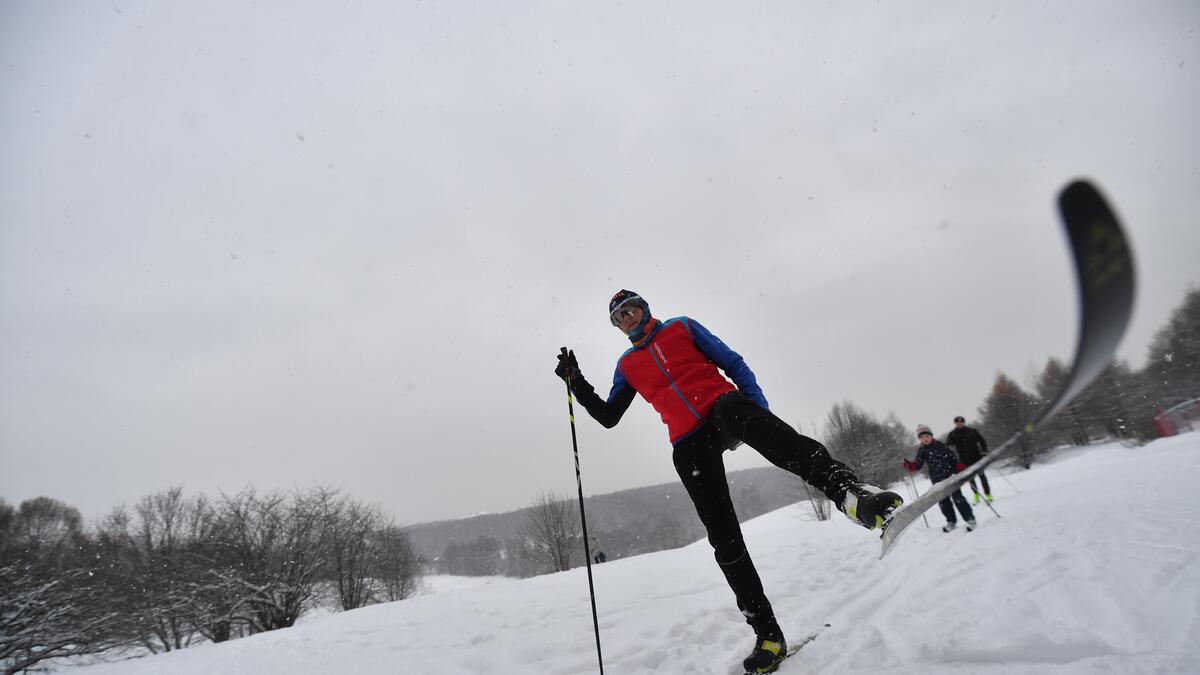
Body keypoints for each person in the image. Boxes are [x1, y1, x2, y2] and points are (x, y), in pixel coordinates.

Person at [555, 290, 902, 674]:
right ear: (616, 326)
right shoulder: (627, 365)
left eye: (630, 309)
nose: (627, 318)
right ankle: (768, 634)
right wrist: (577, 382)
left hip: (723, 409)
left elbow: (732, 361)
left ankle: (850, 495)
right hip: (688, 441)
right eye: (618, 317)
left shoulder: (681, 328)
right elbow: (608, 415)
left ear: (645, 308)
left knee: (747, 418)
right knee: (723, 536)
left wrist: (757, 411)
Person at [903, 424, 976, 532]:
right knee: (943, 501)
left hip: (950, 476)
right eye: (922, 437)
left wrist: (958, 466)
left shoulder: (941, 445)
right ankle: (951, 521)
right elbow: (918, 464)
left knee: (958, 498)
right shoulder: (922, 450)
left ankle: (970, 519)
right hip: (937, 479)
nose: (925, 439)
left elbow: (952, 457)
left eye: (927, 436)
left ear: (931, 436)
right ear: (920, 439)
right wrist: (910, 465)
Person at [946, 415, 992, 505]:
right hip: (964, 460)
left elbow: (982, 441)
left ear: (964, 422)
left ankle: (988, 494)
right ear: (955, 423)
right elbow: (948, 444)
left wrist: (984, 451)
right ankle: (976, 496)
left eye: (961, 422)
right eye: (957, 422)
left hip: (977, 457)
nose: (959, 423)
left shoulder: (972, 431)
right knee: (971, 478)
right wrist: (948, 447)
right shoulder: (953, 434)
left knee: (982, 476)